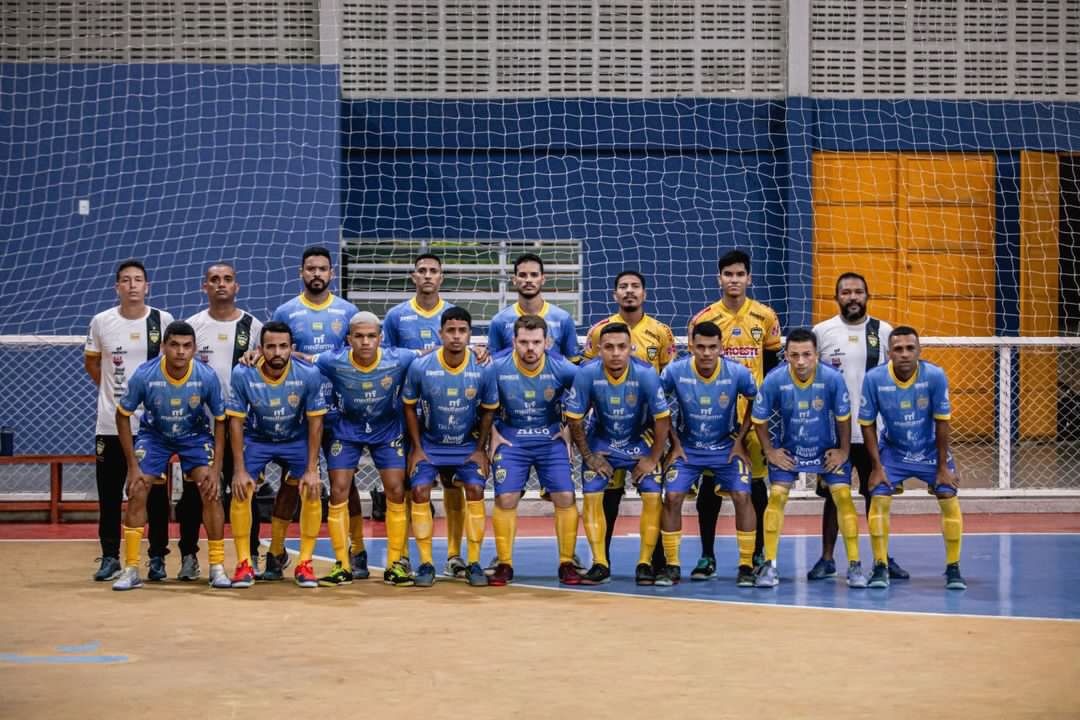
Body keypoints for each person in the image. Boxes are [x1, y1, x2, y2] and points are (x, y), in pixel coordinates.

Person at [261, 246, 366, 581]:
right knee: (292, 484)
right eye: (311, 269)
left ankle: (358, 550)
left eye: (322, 269)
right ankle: (276, 553)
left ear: (332, 273)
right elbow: (271, 354)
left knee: (343, 484)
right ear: (301, 273)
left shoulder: (348, 311)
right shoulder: (286, 311)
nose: (316, 274)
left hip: (338, 410)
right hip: (297, 412)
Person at [110, 321, 229, 590]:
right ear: (163, 347)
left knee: (211, 489)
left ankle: (217, 567)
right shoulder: (145, 374)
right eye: (174, 345)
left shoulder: (206, 376)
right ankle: (130, 569)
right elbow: (122, 415)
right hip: (155, 436)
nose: (180, 351)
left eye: (187, 346)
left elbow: (221, 419)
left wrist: (216, 467)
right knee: (138, 489)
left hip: (194, 436)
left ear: (195, 349)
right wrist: (132, 466)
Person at [687, 249, 781, 580]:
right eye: (728, 274)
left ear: (749, 278)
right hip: (713, 421)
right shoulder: (704, 320)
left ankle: (757, 553)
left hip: (753, 420)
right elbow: (696, 369)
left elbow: (770, 368)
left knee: (755, 487)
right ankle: (707, 556)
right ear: (719, 278)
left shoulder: (766, 316)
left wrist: (765, 409)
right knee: (709, 489)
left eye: (740, 274)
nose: (734, 280)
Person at [750, 328, 868, 588]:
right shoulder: (774, 379)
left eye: (807, 355)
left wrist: (844, 451)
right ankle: (769, 565)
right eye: (794, 355)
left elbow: (843, 418)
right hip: (790, 451)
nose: (801, 361)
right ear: (786, 356)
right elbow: (758, 419)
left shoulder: (832, 378)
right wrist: (770, 451)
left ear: (816, 355)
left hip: (826, 450)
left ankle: (855, 566)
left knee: (843, 496)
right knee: (777, 496)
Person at [810, 272, 907, 581]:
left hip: (873, 433)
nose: (852, 297)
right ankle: (827, 559)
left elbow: (896, 384)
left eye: (858, 292)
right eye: (846, 292)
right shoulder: (822, 333)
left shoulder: (885, 331)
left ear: (867, 295)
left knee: (875, 495)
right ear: (836, 297)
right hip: (834, 435)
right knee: (834, 497)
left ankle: (882, 558)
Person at [84, 260, 174, 582]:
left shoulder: (163, 321)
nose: (133, 285)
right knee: (109, 494)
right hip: (110, 424)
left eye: (138, 280)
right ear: (117, 287)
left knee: (156, 496)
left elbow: (173, 368)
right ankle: (109, 556)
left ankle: (157, 558)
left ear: (147, 286)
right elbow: (92, 364)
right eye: (126, 280)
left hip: (153, 428)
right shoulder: (101, 322)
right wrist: (117, 397)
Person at [381, 253, 469, 579]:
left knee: (452, 480)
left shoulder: (452, 317)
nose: (428, 276)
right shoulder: (396, 316)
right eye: (422, 271)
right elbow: (386, 358)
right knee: (407, 485)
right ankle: (402, 555)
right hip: (405, 410)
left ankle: (454, 555)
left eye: (434, 271)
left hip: (446, 412)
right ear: (413, 276)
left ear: (441, 277)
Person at [859, 327, 966, 590]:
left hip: (929, 449)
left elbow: (943, 422)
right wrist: (876, 467)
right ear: (889, 353)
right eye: (898, 349)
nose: (905, 354)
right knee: (879, 497)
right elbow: (867, 424)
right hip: (893, 450)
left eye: (910, 348)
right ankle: (880, 566)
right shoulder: (874, 378)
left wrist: (942, 467)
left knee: (949, 497)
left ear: (919, 351)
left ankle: (953, 568)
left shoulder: (935, 376)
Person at [564, 323, 671, 586]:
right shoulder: (587, 373)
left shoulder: (646, 373)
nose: (615, 353)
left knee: (653, 494)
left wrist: (653, 458)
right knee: (591, 496)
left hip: (638, 440)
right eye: (609, 347)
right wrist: (588, 456)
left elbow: (662, 420)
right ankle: (600, 563)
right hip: (602, 442)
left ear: (631, 348)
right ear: (599, 349)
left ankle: (645, 563)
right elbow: (574, 418)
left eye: (621, 347)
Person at [583, 270, 676, 570]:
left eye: (635, 286)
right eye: (622, 287)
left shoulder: (661, 332)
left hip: (647, 430)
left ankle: (654, 560)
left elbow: (669, 382)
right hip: (607, 428)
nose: (629, 292)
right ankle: (601, 559)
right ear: (615, 295)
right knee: (608, 494)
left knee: (653, 491)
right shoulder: (599, 331)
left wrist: (663, 443)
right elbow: (587, 381)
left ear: (644, 294)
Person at [316, 312, 416, 587]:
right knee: (338, 489)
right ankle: (342, 565)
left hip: (386, 429)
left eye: (371, 336)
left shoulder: (400, 358)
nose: (365, 342)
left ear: (380, 339)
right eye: (359, 336)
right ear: (349, 339)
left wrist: (477, 353)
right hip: (347, 429)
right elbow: (297, 358)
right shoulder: (331, 360)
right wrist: (256, 356)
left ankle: (395, 564)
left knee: (396, 489)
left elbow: (433, 354)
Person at [402, 307, 498, 587]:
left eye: (462, 331)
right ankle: (426, 563)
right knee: (419, 490)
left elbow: (489, 411)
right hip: (430, 446)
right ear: (440, 333)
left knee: (476, 489)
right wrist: (417, 448)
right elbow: (409, 407)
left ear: (470, 334)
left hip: (466, 446)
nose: (456, 336)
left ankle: (474, 562)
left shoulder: (483, 367)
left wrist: (480, 449)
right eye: (451, 331)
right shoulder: (421, 366)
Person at [658, 321, 757, 587]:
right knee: (673, 496)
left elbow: (756, 400)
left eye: (712, 347)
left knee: (742, 494)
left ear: (721, 348)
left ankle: (746, 565)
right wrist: (674, 442)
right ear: (690, 346)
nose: (706, 353)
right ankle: (672, 565)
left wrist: (741, 440)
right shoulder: (675, 371)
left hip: (726, 447)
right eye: (700, 347)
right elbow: (657, 403)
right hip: (688, 448)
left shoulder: (737, 372)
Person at [226, 322, 325, 588]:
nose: (277, 352)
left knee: (311, 487)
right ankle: (244, 563)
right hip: (258, 440)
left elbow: (316, 422)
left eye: (283, 346)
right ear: (260, 349)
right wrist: (239, 469)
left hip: (295, 440)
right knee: (242, 488)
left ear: (292, 349)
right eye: (271, 346)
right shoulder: (242, 373)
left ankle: (305, 563)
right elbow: (235, 421)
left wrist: (312, 468)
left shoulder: (309, 373)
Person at [487, 315, 580, 586]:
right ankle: (504, 564)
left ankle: (567, 563)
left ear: (547, 342)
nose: (530, 348)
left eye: (536, 342)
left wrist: (570, 427)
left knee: (565, 496)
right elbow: (478, 400)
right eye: (524, 342)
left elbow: (588, 394)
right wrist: (491, 431)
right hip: (510, 438)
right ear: (513, 341)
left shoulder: (563, 368)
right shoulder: (496, 366)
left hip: (550, 437)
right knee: (506, 499)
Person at [184, 262, 263, 581]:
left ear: (236, 287)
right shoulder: (192, 326)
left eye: (227, 280)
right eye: (214, 280)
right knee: (195, 493)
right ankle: (189, 555)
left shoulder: (253, 326)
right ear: (204, 286)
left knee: (245, 490)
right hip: (199, 428)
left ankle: (252, 555)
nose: (221, 284)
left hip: (242, 425)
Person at [487, 253, 580, 361]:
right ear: (514, 280)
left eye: (534, 275)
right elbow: (493, 363)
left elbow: (573, 363)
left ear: (543, 279)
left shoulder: (563, 318)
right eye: (522, 275)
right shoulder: (499, 320)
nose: (528, 280)